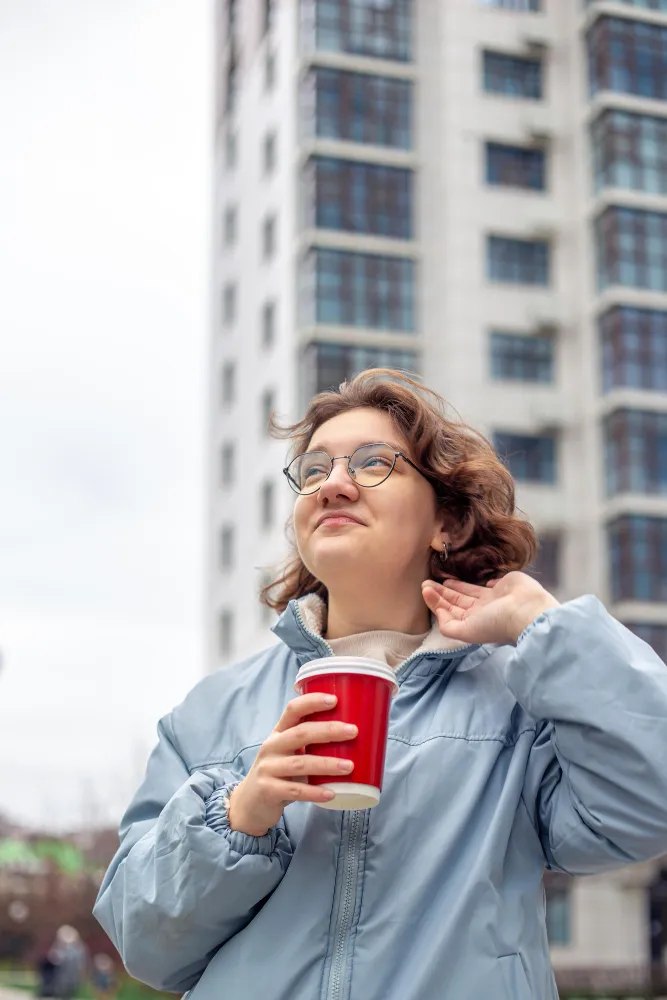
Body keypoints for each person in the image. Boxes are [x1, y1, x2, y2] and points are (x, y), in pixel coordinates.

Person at [94, 369, 667, 1000]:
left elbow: (648, 805)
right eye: (314, 471)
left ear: (444, 522)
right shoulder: (211, 712)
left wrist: (544, 627)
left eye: (373, 464)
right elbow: (146, 944)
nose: (333, 485)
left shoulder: (520, 701)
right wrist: (241, 812)